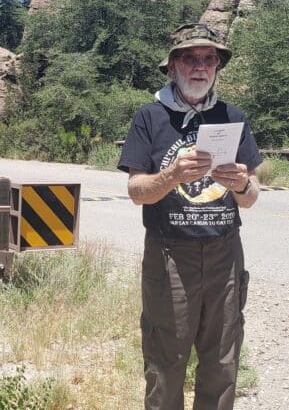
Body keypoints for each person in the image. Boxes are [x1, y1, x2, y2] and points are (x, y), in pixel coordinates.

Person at [118, 23, 262, 410]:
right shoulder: (150, 117)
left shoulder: (233, 116)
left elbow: (251, 197)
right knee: (166, 359)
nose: (200, 67)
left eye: (209, 59)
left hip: (225, 254)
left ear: (217, 67)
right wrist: (172, 175)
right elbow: (136, 192)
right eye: (190, 58)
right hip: (169, 255)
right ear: (171, 67)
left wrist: (240, 184)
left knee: (222, 360)